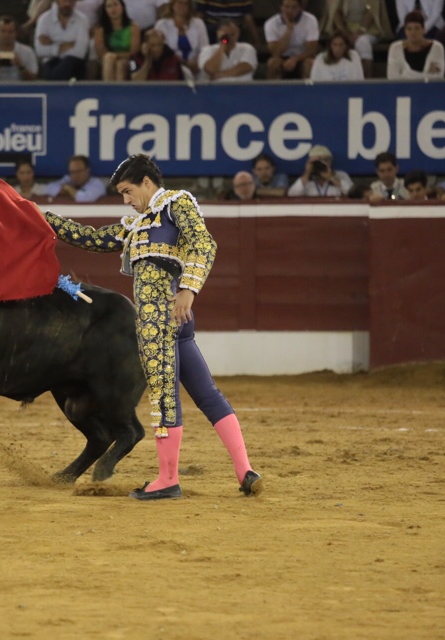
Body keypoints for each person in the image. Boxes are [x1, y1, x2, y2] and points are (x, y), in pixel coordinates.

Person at [42, 153, 262, 500]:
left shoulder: (177, 203)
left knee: (165, 397)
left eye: (129, 192)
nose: (126, 202)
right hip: (173, 320)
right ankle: (245, 472)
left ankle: (168, 479)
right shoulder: (137, 225)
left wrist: (188, 288)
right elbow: (92, 238)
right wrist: (45, 218)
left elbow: (204, 243)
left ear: (147, 182)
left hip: (160, 321)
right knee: (206, 394)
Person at [325, 0, 393, 78]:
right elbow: (335, 11)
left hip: (369, 28)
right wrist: (346, 33)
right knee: (339, 42)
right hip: (345, 28)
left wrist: (361, 30)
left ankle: (367, 79)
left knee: (362, 42)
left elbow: (372, 10)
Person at [35, 0, 90, 81]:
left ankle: (53, 89)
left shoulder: (82, 20)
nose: (67, 4)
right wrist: (65, 46)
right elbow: (40, 50)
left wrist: (53, 44)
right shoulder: (44, 19)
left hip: (74, 62)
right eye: (64, 1)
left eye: (71, 1)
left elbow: (80, 51)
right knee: (52, 69)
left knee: (68, 63)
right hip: (51, 62)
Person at [264, 0, 320, 79]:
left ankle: (308, 90)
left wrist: (295, 59)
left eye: (294, 7)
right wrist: (289, 30)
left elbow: (312, 49)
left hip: (302, 57)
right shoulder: (271, 23)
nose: (290, 11)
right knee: (273, 63)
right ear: (281, 7)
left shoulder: (310, 20)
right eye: (287, 7)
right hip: (282, 58)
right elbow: (275, 52)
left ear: (300, 8)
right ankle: (274, 91)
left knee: (310, 64)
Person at [153, 0, 209, 75]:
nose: (182, 7)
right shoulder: (162, 24)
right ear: (172, 5)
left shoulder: (198, 23)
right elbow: (161, 49)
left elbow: (205, 48)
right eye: (179, 3)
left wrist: (197, 62)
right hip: (170, 66)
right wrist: (183, 63)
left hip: (196, 66)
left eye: (185, 4)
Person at [0, 15, 38, 81]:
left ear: (16, 33)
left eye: (10, 32)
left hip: (20, 89)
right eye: (3, 31)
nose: (7, 35)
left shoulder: (28, 51)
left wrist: (21, 66)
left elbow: (33, 79)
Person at [387, 10, 445, 78]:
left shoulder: (437, 47)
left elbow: (438, 77)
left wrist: (406, 74)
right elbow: (393, 78)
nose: (413, 32)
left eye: (417, 28)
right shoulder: (395, 48)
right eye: (409, 29)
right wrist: (427, 76)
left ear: (423, 29)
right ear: (405, 31)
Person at [93, 0, 140, 81]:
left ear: (122, 7)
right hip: (108, 60)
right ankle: (109, 90)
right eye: (109, 6)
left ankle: (119, 92)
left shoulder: (133, 27)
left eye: (115, 5)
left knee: (120, 64)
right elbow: (100, 52)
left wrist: (116, 56)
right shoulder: (100, 28)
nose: (113, 9)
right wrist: (113, 57)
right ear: (105, 10)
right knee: (109, 58)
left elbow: (134, 52)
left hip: (131, 61)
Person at [287, 144, 354, 197]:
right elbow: (292, 194)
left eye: (325, 160)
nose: (321, 163)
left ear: (331, 161)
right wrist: (307, 173)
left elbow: (352, 192)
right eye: (317, 161)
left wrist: (331, 178)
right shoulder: (306, 179)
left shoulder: (340, 175)